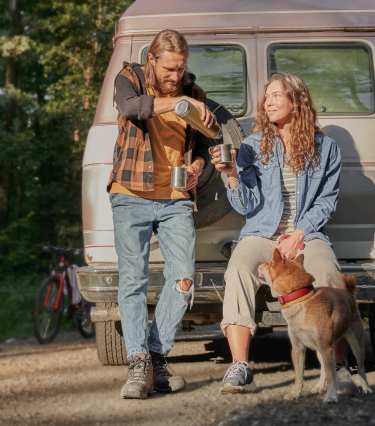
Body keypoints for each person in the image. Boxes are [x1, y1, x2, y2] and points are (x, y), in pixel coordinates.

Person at [211, 72, 355, 395]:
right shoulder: (252, 146)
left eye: (277, 95)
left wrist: (300, 232)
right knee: (237, 268)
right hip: (263, 233)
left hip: (307, 233)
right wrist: (232, 175)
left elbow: (326, 201)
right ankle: (240, 366)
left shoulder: (326, 148)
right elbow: (247, 203)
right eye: (267, 97)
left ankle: (340, 367)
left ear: (297, 100)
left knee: (328, 272)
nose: (268, 102)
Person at [107, 29, 216, 399]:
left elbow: (202, 141)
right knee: (133, 281)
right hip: (130, 192)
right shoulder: (131, 78)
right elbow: (131, 108)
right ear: (152, 59)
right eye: (170, 69)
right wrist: (178, 102)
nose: (176, 76)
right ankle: (138, 362)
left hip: (176, 196)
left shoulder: (194, 92)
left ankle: (154, 354)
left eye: (181, 68)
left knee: (184, 277)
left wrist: (199, 163)